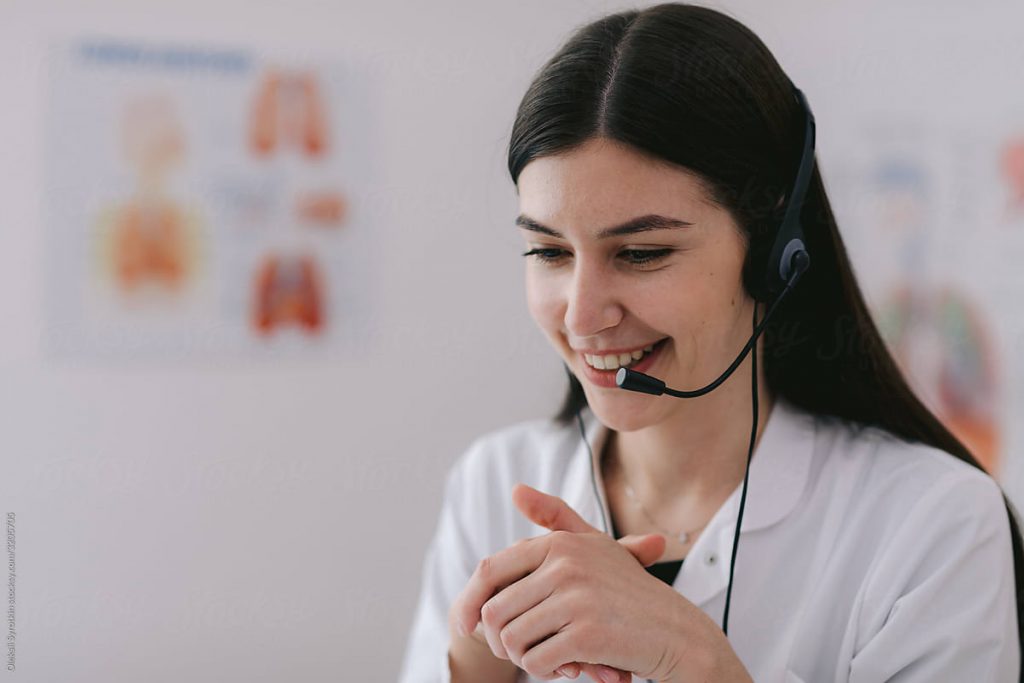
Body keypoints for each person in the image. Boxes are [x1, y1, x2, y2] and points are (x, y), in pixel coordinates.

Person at [398, 3, 1023, 682]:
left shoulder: (935, 525)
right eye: (549, 252)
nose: (581, 316)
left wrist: (691, 660)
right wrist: (473, 657)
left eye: (640, 253)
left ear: (774, 254)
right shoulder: (492, 480)